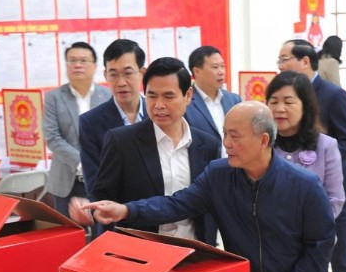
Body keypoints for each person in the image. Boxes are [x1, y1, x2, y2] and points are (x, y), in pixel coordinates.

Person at [84, 102, 335, 272]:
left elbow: (321, 246)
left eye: (235, 136)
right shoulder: (219, 176)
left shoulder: (304, 185)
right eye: (224, 134)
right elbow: (176, 204)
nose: (226, 143)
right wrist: (126, 210)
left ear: (263, 140)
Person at [92, 57, 219, 244]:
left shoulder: (207, 144)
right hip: (141, 251)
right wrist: (95, 212)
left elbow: (211, 204)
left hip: (195, 249)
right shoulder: (122, 141)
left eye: (168, 96)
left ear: (188, 95)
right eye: (152, 96)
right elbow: (103, 198)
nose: (159, 105)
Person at [278, 39, 346, 272]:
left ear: (305, 61)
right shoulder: (286, 97)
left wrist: (320, 158)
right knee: (309, 261)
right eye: (279, 61)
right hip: (296, 192)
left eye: (285, 59)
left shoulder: (334, 95)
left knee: (339, 256)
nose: (280, 66)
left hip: (334, 188)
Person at [41, 42, 112, 214]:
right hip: (66, 182)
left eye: (83, 60)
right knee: (67, 230)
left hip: (101, 180)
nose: (77, 65)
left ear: (94, 66)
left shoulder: (108, 96)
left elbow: (113, 135)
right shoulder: (53, 98)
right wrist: (84, 162)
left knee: (101, 228)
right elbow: (52, 137)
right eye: (72, 60)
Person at [265, 71, 344, 217]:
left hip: (314, 229)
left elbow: (334, 200)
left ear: (305, 106)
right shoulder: (261, 145)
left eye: (288, 102)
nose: (279, 109)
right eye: (274, 102)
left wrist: (312, 227)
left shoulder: (326, 146)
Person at [79, 39, 147, 201]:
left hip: (160, 210)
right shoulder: (90, 123)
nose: (121, 82)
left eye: (128, 73)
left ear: (142, 73)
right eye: (114, 74)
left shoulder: (159, 115)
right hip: (114, 212)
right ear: (105, 75)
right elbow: (95, 184)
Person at [185, 45, 240, 151]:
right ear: (197, 71)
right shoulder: (186, 103)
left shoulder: (234, 100)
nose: (221, 72)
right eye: (215, 67)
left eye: (223, 66)